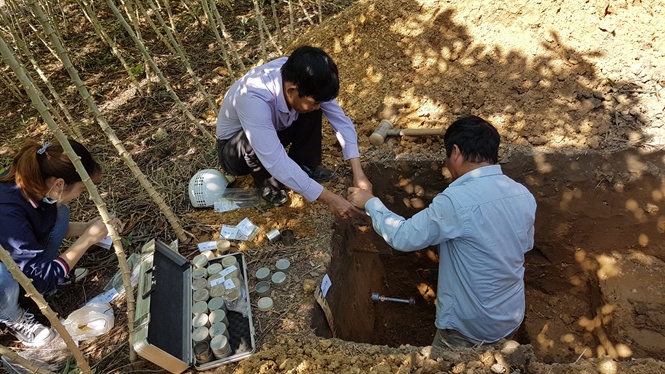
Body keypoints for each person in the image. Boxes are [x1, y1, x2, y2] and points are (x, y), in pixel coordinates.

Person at [347, 116, 537, 348]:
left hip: (470, 328)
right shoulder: (522, 194)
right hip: (510, 316)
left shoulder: (456, 201)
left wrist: (370, 202)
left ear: (455, 152)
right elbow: (524, 246)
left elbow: (403, 236)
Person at [216, 45, 371, 218]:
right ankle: (269, 186)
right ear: (291, 91)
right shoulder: (253, 97)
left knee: (311, 108)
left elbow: (341, 122)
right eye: (315, 101)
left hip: (274, 130)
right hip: (235, 150)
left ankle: (304, 164)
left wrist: (359, 174)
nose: (317, 106)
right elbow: (274, 159)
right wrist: (330, 199)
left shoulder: (304, 76)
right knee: (253, 141)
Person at [0, 139, 122, 347]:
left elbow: (33, 228)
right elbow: (38, 277)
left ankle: (52, 276)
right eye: (80, 190)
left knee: (60, 212)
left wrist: (84, 229)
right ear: (59, 185)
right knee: (3, 279)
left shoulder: (31, 185)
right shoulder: (7, 209)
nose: (79, 196)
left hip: (16, 257)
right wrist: (86, 240)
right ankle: (12, 315)